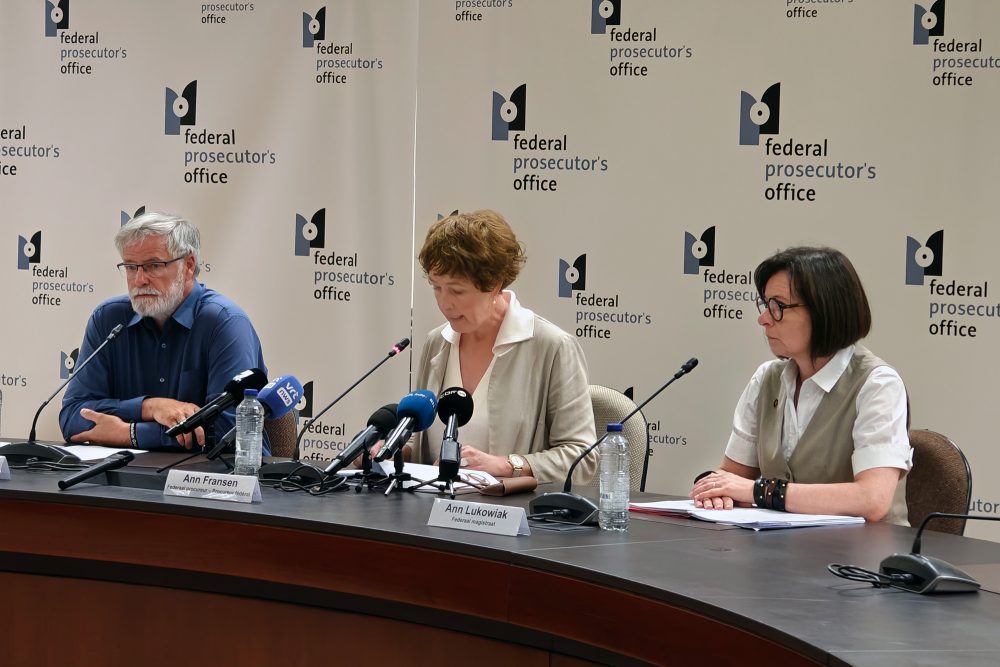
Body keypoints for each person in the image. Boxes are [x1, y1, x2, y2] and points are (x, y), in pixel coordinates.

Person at [690, 246, 911, 524]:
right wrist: (716, 491)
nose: (764, 319)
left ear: (824, 310)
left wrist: (760, 491)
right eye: (765, 304)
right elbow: (731, 478)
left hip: (861, 560)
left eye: (778, 306)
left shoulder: (877, 384)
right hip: (780, 554)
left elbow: (872, 500)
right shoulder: (767, 379)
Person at [404, 210, 597, 484]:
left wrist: (508, 465)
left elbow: (582, 458)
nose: (444, 303)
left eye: (457, 291)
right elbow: (424, 441)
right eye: (436, 288)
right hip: (429, 514)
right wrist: (394, 449)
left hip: (513, 518)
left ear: (494, 285)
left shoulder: (552, 347)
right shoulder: (438, 341)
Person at [59, 212, 270, 453]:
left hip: (212, 481)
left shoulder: (225, 323)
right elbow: (73, 417)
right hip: (125, 479)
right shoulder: (108, 319)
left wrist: (129, 434)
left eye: (153, 266)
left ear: (188, 266)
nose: (139, 279)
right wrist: (150, 407)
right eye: (130, 266)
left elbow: (229, 430)